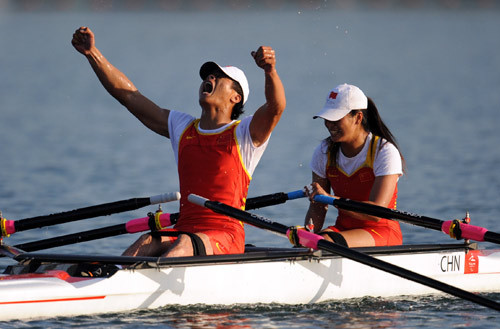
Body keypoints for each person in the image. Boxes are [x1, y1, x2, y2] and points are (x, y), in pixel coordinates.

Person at [71, 27, 286, 257]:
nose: (210, 78)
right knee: (148, 240)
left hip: (226, 237)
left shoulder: (245, 134)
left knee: (184, 243)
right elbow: (129, 97)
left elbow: (276, 107)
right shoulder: (183, 128)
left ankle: (146, 284)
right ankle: (110, 277)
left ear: (236, 97)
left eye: (219, 76)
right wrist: (92, 53)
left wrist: (269, 71)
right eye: (208, 75)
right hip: (185, 230)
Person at [304, 83, 404, 248]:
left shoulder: (384, 151)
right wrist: (307, 233)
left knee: (324, 242)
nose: (329, 124)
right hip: (343, 229)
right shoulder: (324, 151)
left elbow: (376, 213)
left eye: (335, 119)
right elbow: (318, 207)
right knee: (309, 241)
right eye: (327, 119)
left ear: (358, 117)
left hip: (380, 232)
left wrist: (329, 199)